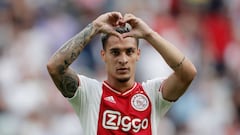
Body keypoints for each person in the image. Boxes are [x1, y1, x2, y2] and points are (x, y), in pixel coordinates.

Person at [47, 11, 197, 135]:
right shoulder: (89, 93)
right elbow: (55, 67)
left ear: (138, 54)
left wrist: (149, 34)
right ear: (103, 55)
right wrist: (95, 27)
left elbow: (187, 73)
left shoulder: (152, 94)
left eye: (129, 51)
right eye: (115, 52)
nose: (123, 59)